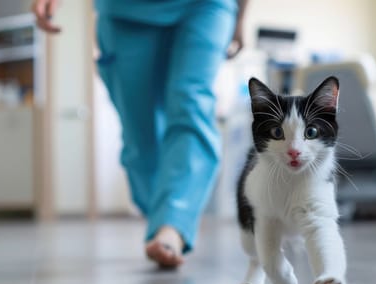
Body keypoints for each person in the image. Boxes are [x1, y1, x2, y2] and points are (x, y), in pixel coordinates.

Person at [32, 0, 248, 268]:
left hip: (205, 7)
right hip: (125, 11)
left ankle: (172, 225)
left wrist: (240, 17)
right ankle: (162, 215)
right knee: (140, 134)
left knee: (190, 103)